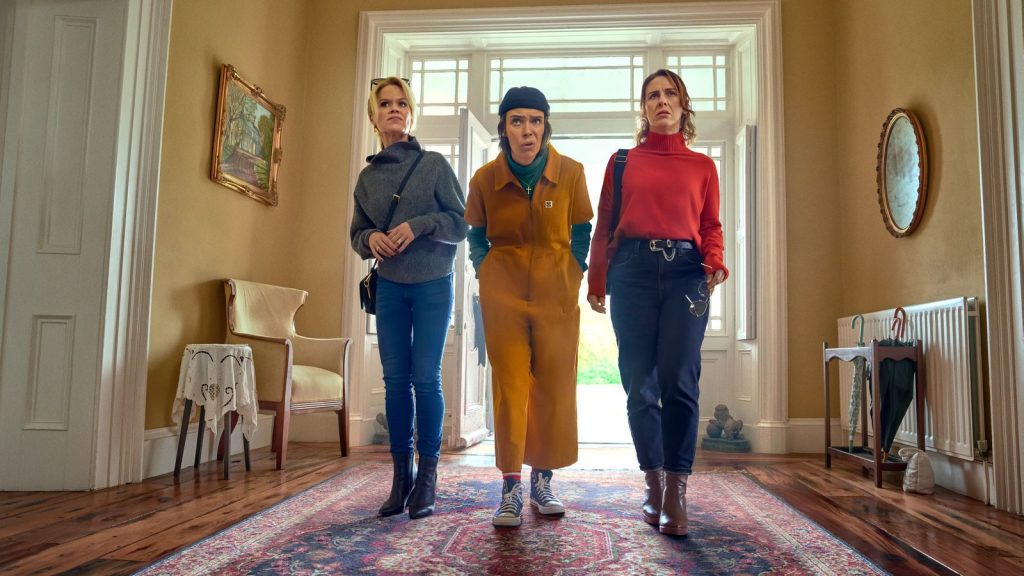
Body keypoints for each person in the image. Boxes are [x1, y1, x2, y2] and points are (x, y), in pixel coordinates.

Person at [586, 69, 728, 537]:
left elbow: (710, 226)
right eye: (652, 95)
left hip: (687, 275)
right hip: (632, 273)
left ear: (683, 106)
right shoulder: (622, 161)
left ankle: (676, 492)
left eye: (670, 94)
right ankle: (653, 481)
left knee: (680, 381)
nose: (661, 101)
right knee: (639, 384)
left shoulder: (703, 167)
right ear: (644, 108)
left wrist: (715, 260)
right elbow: (604, 223)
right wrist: (597, 279)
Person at [465, 86, 593, 528]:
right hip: (503, 290)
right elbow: (476, 234)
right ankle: (510, 487)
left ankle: (543, 480)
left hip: (557, 290)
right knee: (511, 386)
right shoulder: (485, 178)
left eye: (535, 121)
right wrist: (485, 269)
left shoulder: (571, 173)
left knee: (553, 385)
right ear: (504, 128)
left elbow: (582, 229)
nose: (527, 130)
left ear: (545, 126)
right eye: (517, 120)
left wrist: (575, 269)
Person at [350, 77, 468, 520]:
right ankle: (401, 477)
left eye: (402, 103)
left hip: (434, 283)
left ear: (411, 113)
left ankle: (428, 478)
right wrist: (371, 239)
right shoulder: (367, 179)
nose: (394, 109)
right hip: (391, 287)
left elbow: (462, 223)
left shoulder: (433, 164)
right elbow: (356, 233)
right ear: (374, 115)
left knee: (426, 378)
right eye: (385, 104)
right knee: (396, 381)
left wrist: (419, 225)